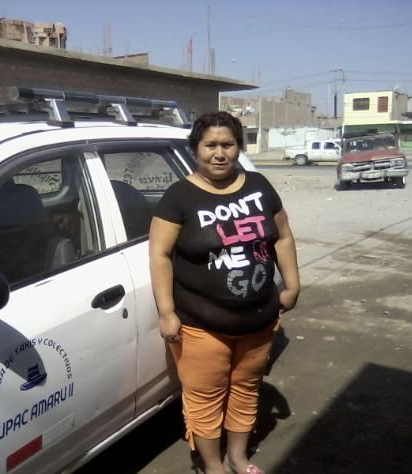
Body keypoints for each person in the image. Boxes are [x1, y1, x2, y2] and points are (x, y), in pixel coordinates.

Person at [149, 111, 299, 474]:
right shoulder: (179, 196)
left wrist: (292, 285)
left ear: (239, 147)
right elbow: (159, 254)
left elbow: (282, 236)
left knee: (246, 389)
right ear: (195, 149)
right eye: (210, 145)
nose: (219, 154)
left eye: (228, 145)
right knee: (205, 398)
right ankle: (213, 465)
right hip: (202, 324)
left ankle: (237, 456)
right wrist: (167, 312)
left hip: (258, 320)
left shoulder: (259, 185)